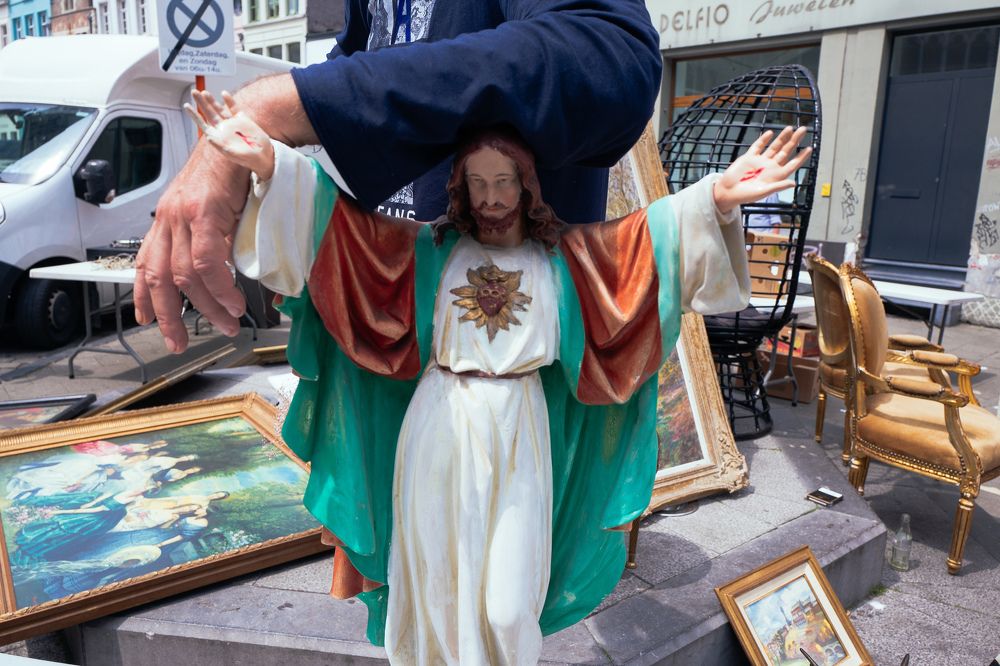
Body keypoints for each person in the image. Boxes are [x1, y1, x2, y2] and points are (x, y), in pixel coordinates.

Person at [186, 91, 811, 664]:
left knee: (509, 605)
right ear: (460, 186)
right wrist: (273, 164)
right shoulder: (428, 250)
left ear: (525, 185)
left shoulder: (564, 256)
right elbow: (341, 233)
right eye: (478, 183)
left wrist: (715, 198)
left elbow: (644, 243)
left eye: (502, 183)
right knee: (434, 586)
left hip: (520, 430)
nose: (489, 198)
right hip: (438, 422)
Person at [135, 0, 663, 354]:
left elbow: (607, 56)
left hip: (510, 346)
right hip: (387, 334)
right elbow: (367, 58)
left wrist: (276, 107)